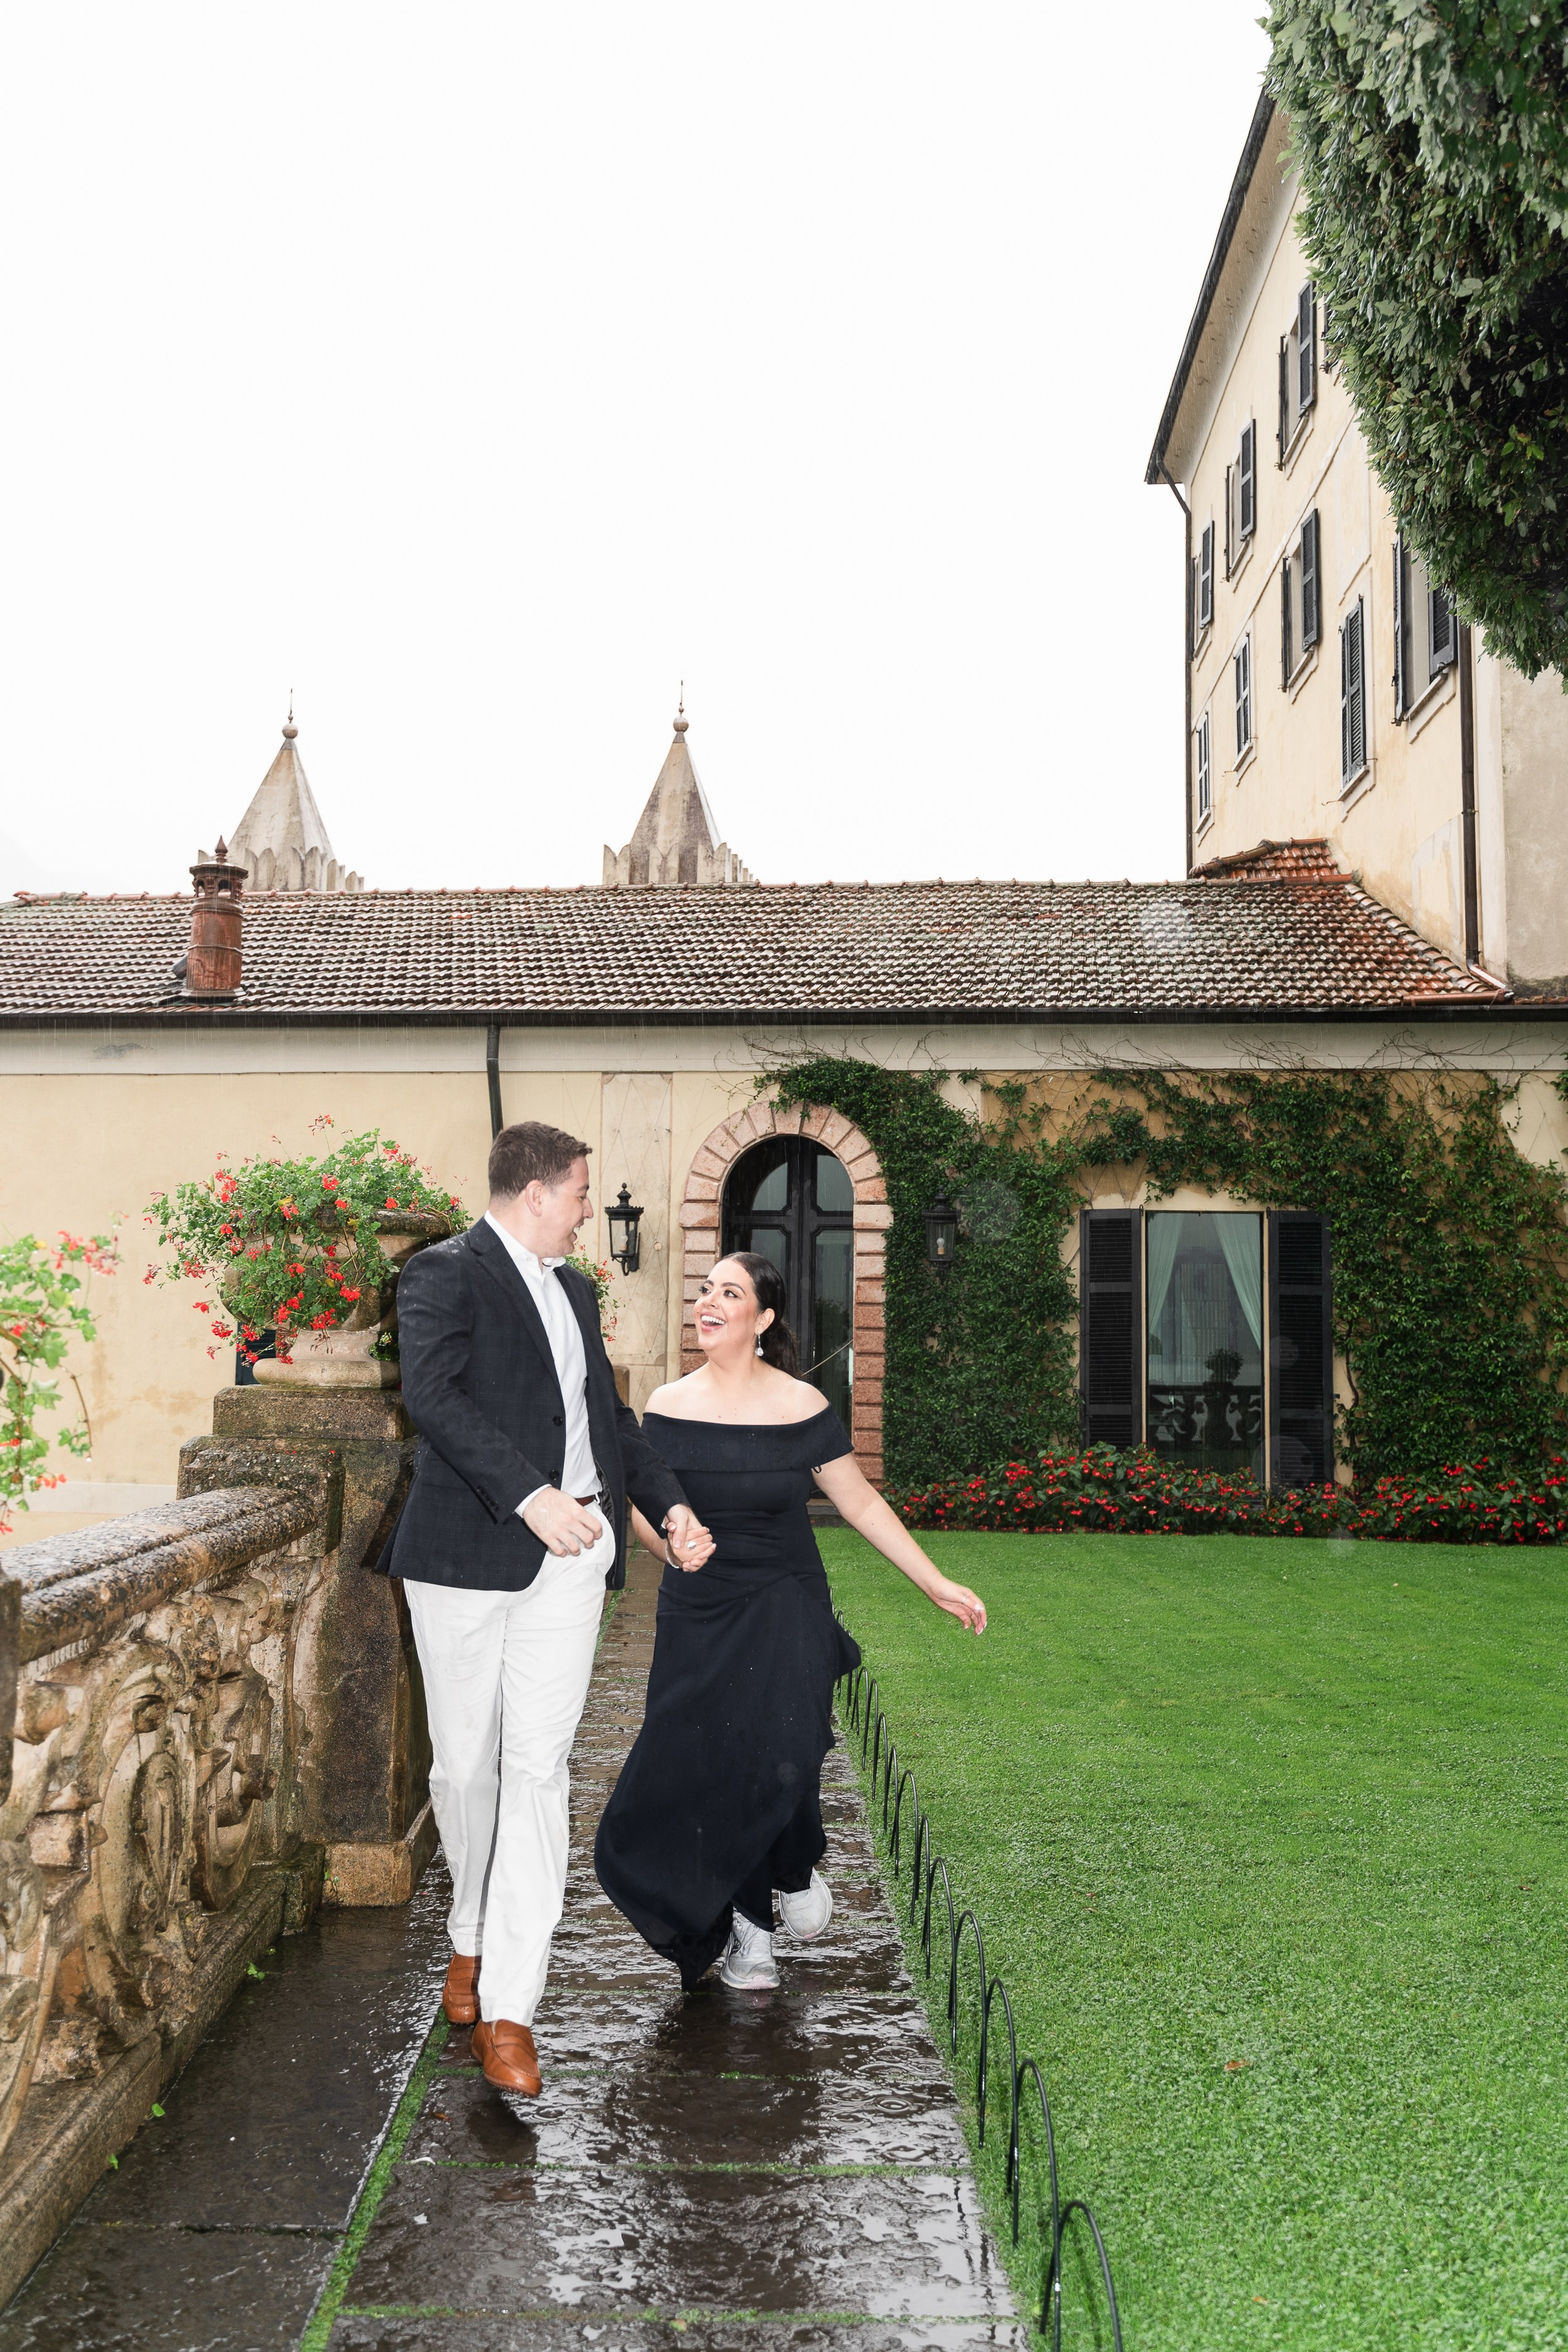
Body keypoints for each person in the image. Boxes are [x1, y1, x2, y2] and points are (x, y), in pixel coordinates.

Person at [384, 1120, 712, 2098]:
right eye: (580, 1193)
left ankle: (513, 2006)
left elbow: (608, 1421)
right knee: (464, 1767)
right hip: (465, 1556)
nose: (586, 1209)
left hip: (574, 1567)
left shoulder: (576, 1290)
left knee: (537, 1772)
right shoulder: (441, 1274)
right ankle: (469, 1938)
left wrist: (667, 1503)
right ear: (536, 1192)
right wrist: (532, 1497)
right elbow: (434, 1399)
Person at [595, 1250, 986, 1991]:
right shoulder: (667, 1405)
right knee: (713, 1764)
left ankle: (795, 1860)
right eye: (706, 1289)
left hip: (786, 1595)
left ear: (763, 1319)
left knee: (789, 1742)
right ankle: (751, 1929)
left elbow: (860, 1502)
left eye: (729, 1292)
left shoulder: (802, 1407)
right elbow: (647, 1513)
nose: (708, 1302)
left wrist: (933, 1581)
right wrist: (672, 1546)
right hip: (699, 1605)